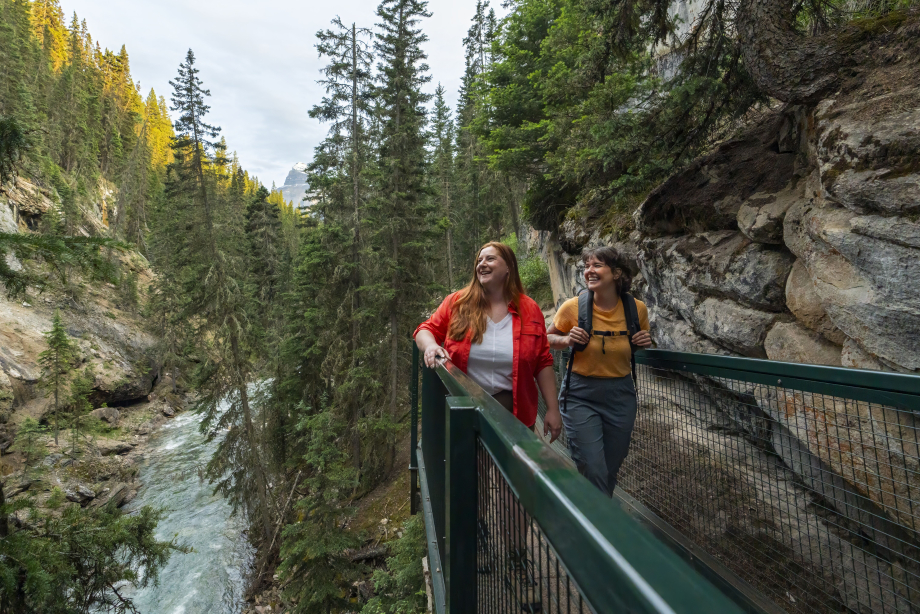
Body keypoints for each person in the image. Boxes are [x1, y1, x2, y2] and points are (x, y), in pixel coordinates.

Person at [414, 241, 563, 442]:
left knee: (509, 471)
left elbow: (543, 362)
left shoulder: (530, 309)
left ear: (508, 267)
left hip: (513, 410)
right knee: (471, 470)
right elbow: (425, 330)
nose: (482, 264)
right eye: (479, 260)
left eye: (490, 258)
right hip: (465, 406)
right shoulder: (457, 303)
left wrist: (553, 410)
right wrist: (431, 345)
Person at [547, 246, 652, 496]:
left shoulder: (636, 309)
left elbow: (642, 341)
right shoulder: (573, 307)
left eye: (596, 266)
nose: (589, 271)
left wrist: (645, 342)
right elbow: (547, 337)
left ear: (616, 273)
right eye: (586, 266)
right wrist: (566, 341)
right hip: (580, 395)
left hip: (621, 395)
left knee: (609, 469)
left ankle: (595, 515)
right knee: (593, 468)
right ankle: (599, 527)